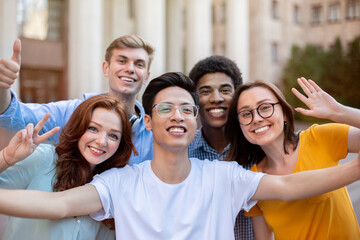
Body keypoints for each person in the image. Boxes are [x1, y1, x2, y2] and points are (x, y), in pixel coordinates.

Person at [0, 73, 359, 240]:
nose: (177, 115)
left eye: (187, 109)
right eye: (166, 108)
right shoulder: (120, 181)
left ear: (196, 123)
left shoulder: (225, 176)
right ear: (149, 120)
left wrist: (356, 167)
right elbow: (58, 206)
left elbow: (288, 186)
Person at [224, 77, 360, 239]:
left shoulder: (319, 138)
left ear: (285, 114)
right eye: (246, 114)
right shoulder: (253, 181)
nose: (257, 118)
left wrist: (338, 111)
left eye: (265, 107)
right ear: (240, 126)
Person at [0, 35, 154, 165]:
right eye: (122, 61)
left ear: (146, 76)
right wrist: (2, 87)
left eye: (139, 64)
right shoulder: (72, 112)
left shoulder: (154, 131)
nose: (130, 69)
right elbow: (13, 114)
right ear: (106, 68)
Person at [0, 94, 136, 239]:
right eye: (93, 129)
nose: (102, 141)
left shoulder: (112, 185)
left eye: (113, 136)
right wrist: (7, 157)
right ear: (79, 128)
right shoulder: (45, 158)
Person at [188, 56, 254, 239]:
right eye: (205, 91)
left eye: (225, 90)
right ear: (194, 99)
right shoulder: (182, 154)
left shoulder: (258, 149)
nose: (216, 99)